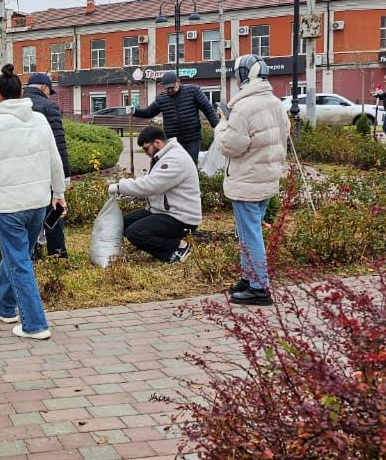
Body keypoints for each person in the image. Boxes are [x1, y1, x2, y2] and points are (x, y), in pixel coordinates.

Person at [0, 65, 67, 340]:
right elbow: (54, 159)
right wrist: (58, 193)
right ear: (21, 92)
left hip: (10, 206)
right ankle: (3, 307)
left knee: (19, 261)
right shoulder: (40, 120)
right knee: (17, 255)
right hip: (38, 202)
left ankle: (35, 324)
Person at [213, 54, 290, 306]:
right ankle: (249, 279)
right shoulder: (275, 103)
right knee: (250, 232)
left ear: (243, 76)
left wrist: (222, 124)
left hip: (247, 182)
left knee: (250, 235)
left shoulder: (244, 108)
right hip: (266, 179)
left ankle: (259, 288)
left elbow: (230, 146)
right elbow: (283, 135)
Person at [107, 125, 201, 262]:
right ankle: (157, 242)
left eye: (146, 148)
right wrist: (128, 194)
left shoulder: (175, 159)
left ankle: (177, 248)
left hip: (181, 218)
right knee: (121, 223)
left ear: (157, 142)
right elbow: (151, 185)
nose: (145, 152)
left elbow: (151, 185)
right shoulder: (164, 156)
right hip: (163, 211)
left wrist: (120, 186)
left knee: (135, 232)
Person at [25, 71, 71, 258]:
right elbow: (59, 144)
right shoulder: (49, 106)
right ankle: (57, 254)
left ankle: (32, 252)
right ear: (44, 88)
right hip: (44, 169)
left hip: (23, 172)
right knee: (53, 210)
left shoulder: (16, 106)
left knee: (28, 213)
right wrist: (64, 174)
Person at [133, 71, 219, 164]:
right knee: (175, 165)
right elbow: (148, 113)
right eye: (167, 88)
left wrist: (217, 126)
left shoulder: (193, 91)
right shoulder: (161, 99)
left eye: (172, 87)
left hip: (192, 138)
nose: (170, 90)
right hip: (173, 140)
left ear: (178, 81)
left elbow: (207, 108)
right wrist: (134, 111)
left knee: (191, 164)